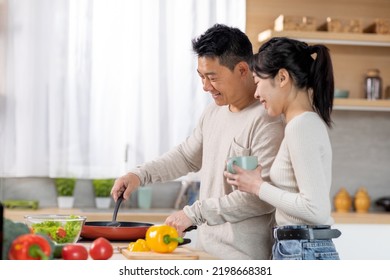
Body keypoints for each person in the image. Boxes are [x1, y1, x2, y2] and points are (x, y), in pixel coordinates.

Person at [111, 24, 284, 260]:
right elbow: (185, 156)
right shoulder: (214, 112)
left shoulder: (267, 119)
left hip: (243, 258)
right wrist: (139, 175)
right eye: (201, 77)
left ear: (243, 70)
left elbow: (261, 198)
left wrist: (194, 213)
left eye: (212, 78)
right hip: (205, 252)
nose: (205, 87)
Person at [224, 37, 341, 260]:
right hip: (301, 248)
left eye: (257, 81)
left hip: (303, 250)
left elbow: (315, 209)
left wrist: (258, 187)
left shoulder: (301, 127)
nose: (256, 94)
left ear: (282, 77)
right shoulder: (303, 124)